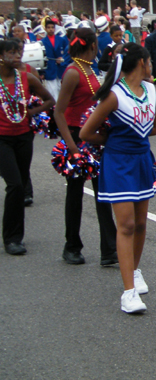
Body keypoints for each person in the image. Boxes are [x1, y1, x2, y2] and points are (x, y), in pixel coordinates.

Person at [81, 44, 156, 313]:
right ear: (141, 63)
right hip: (118, 163)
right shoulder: (114, 96)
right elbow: (86, 132)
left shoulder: (150, 90)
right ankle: (128, 293)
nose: (151, 66)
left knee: (139, 224)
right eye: (149, 61)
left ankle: (134, 272)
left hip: (142, 161)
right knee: (124, 225)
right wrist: (113, 141)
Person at [52, 28, 117, 266]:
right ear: (91, 46)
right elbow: (59, 112)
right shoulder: (72, 71)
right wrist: (72, 148)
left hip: (93, 138)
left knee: (103, 194)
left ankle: (109, 250)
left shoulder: (89, 68)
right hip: (76, 138)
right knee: (75, 194)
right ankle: (71, 246)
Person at [0, 40, 54, 255]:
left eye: (18, 53)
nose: (16, 57)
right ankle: (11, 238)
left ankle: (17, 236)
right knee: (13, 185)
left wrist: (32, 112)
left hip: (23, 137)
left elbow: (50, 100)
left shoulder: (27, 78)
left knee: (21, 185)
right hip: (1, 139)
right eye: (11, 53)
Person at [40, 16, 70, 97]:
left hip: (61, 68)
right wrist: (42, 72)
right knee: (53, 92)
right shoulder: (42, 42)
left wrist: (62, 59)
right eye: (48, 27)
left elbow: (67, 52)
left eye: (52, 27)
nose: (51, 29)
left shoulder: (62, 40)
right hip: (50, 69)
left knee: (63, 91)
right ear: (45, 29)